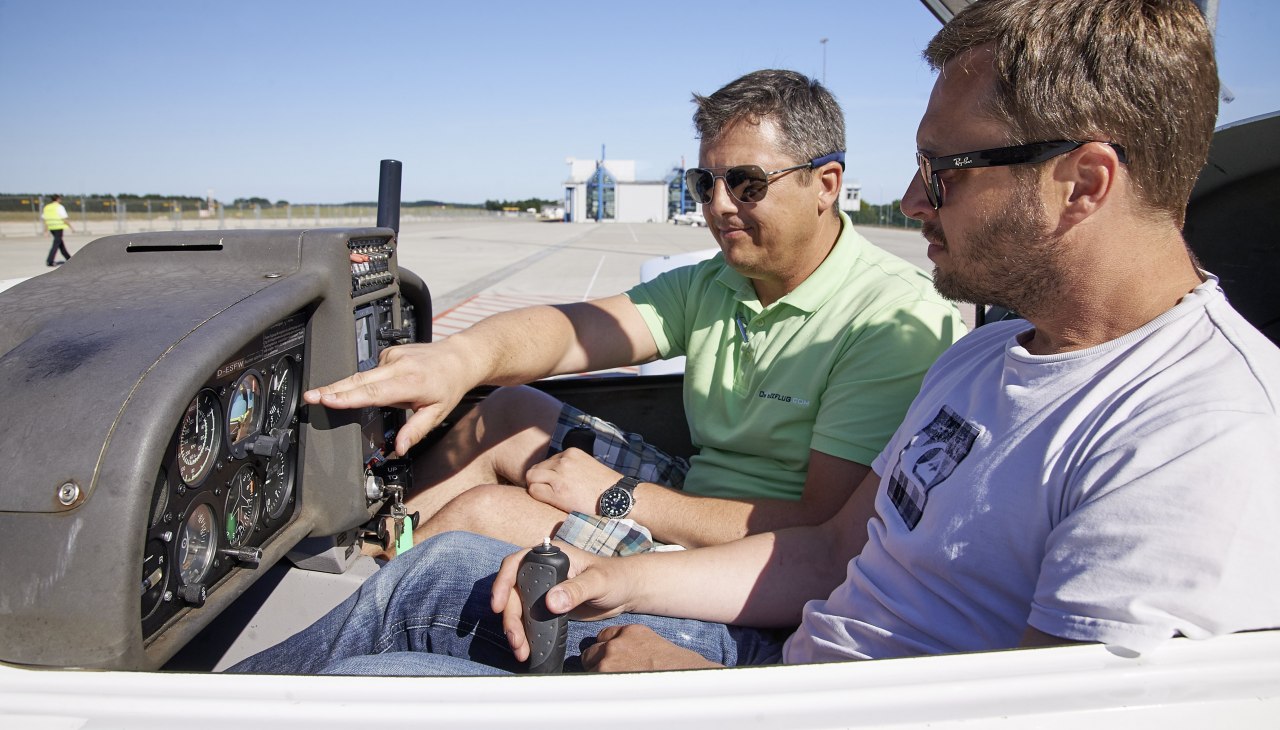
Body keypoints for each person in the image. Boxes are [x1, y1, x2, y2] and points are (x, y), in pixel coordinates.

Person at [232, 0, 1280, 677]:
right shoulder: (984, 356)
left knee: (384, 688)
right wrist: (618, 581)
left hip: (774, 694)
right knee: (438, 569)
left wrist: (687, 680)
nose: (911, 200)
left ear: (1081, 183)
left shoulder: (1194, 440)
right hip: (785, 666)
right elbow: (830, 551)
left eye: (944, 169)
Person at [309, 69, 964, 556]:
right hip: (693, 494)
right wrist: (463, 357)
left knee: (485, 513)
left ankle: (383, 616)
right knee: (506, 411)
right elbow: (577, 331)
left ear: (825, 185)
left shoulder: (890, 317)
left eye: (747, 183)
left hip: (752, 553)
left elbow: (819, 527)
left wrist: (615, 498)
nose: (718, 205)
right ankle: (387, 559)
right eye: (703, 183)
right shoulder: (717, 282)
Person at [42, 194, 73, 267]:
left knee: (60, 243)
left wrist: (46, 230)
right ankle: (50, 261)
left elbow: (46, 220)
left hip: (51, 228)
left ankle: (69, 258)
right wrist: (71, 227)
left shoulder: (47, 207)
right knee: (56, 244)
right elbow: (64, 218)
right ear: (58, 199)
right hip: (58, 227)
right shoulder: (59, 207)